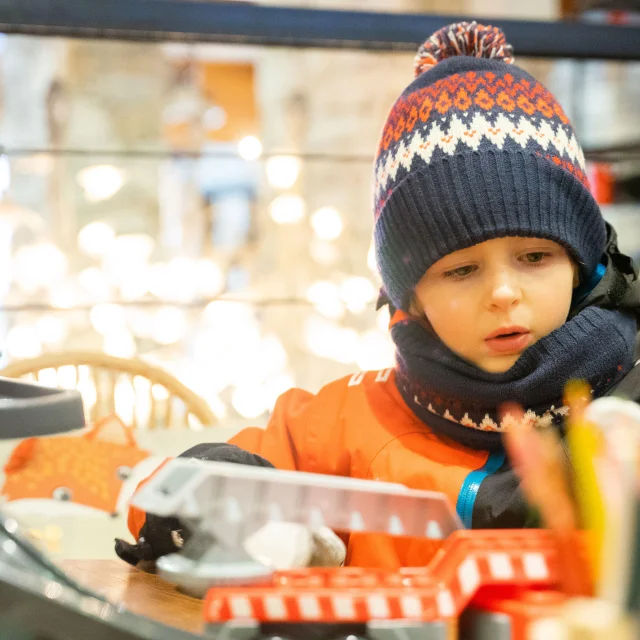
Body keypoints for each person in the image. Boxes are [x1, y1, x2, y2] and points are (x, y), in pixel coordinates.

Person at [116, 21, 640, 571]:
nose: (504, 293)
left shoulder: (625, 416)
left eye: (535, 258)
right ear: (409, 296)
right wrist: (214, 498)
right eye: (461, 270)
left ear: (581, 263)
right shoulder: (346, 425)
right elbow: (159, 491)